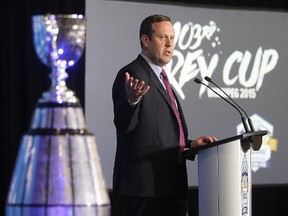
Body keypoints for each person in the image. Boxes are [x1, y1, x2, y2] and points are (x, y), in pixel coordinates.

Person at [112, 14, 217, 216]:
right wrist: (131, 100)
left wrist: (189, 145)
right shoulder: (132, 74)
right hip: (145, 191)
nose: (170, 44)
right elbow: (124, 124)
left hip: (171, 188)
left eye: (172, 38)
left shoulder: (161, 78)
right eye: (162, 38)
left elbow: (161, 134)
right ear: (145, 40)